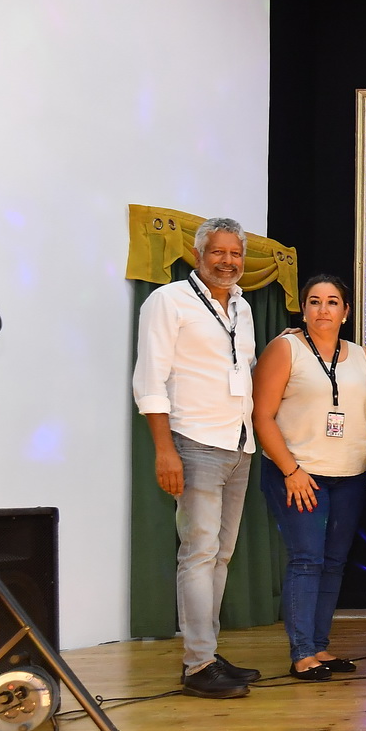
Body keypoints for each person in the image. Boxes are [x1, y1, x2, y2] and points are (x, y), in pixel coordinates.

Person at [132, 217, 263, 698]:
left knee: (220, 556)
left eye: (235, 253)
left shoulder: (243, 307)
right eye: (218, 252)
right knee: (199, 553)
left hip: (239, 444)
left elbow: (244, 370)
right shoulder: (168, 301)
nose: (228, 261)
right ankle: (197, 664)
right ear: (197, 254)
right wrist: (164, 450)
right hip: (193, 441)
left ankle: (206, 651)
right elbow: (149, 380)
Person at [252, 274, 366, 681]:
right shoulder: (285, 348)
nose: (323, 309)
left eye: (332, 301)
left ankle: (319, 646)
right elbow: (261, 415)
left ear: (346, 311)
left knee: (334, 563)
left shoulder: (362, 357)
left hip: (350, 475)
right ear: (303, 309)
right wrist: (290, 470)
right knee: (307, 560)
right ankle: (302, 652)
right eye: (315, 301)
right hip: (298, 473)